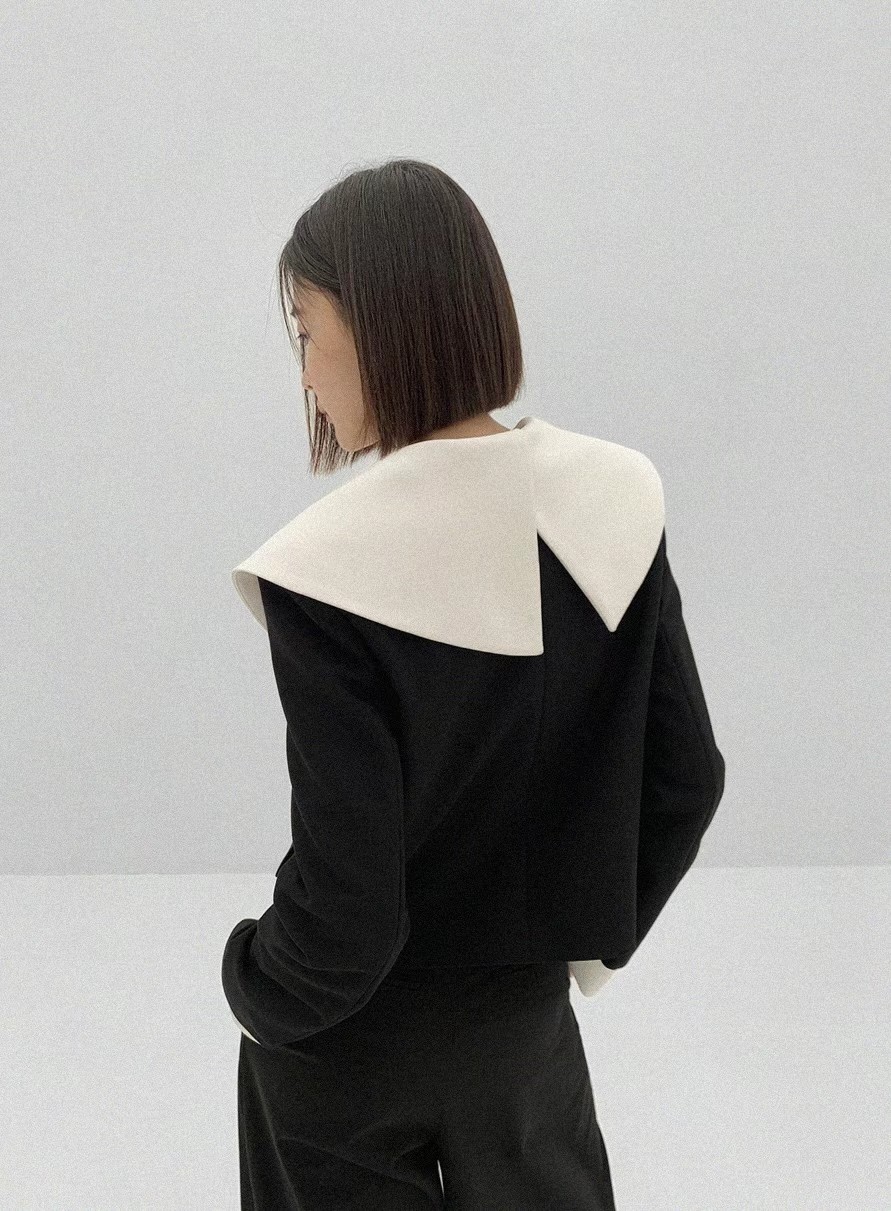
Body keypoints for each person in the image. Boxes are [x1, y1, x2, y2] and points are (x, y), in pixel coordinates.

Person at [222, 158, 726, 1210]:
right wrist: (573, 949)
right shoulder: (614, 499)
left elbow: (350, 905)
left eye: (306, 332)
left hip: (343, 1053)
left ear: (378, 326)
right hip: (523, 1039)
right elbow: (686, 779)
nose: (305, 375)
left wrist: (256, 981)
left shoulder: (324, 566)